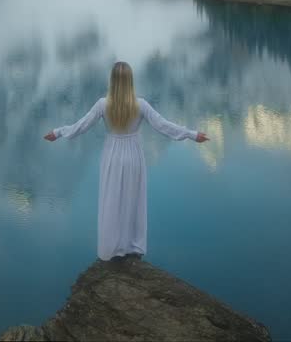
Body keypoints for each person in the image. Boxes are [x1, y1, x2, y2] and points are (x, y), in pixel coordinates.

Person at [45, 61, 209, 261]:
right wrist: (192, 134)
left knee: (112, 199)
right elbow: (164, 126)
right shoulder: (140, 105)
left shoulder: (103, 104)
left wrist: (58, 132)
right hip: (133, 154)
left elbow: (80, 126)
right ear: (130, 81)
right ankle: (133, 246)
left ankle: (112, 247)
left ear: (112, 81)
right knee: (134, 199)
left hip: (112, 155)